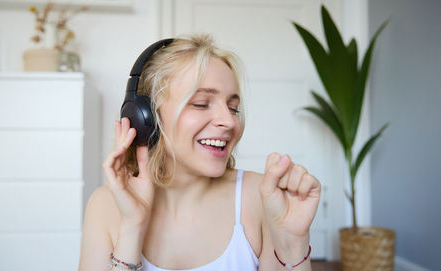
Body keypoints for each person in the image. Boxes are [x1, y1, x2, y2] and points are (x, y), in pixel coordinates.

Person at [79, 33, 322, 271]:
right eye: (201, 104)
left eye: (233, 108)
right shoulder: (106, 205)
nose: (228, 121)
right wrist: (132, 226)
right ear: (145, 117)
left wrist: (293, 244)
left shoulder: (260, 197)